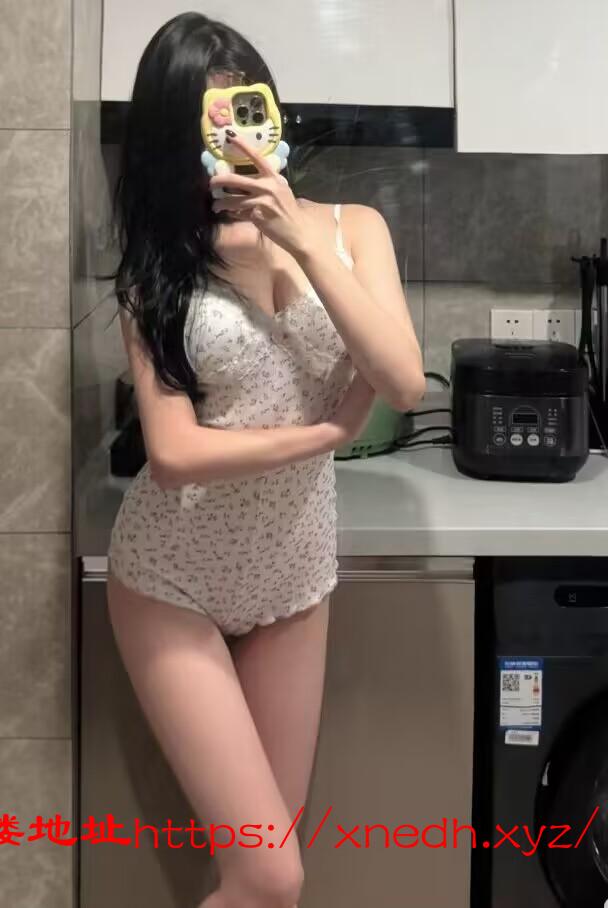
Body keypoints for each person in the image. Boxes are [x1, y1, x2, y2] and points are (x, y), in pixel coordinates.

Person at [106, 11, 425, 908]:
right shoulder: (157, 271)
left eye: (248, 111)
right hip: (172, 578)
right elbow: (173, 455)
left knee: (267, 873)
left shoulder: (352, 229)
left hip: (292, 575)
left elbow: (403, 381)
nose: (239, 139)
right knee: (269, 873)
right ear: (178, 139)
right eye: (212, 123)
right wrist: (324, 438)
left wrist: (301, 237)